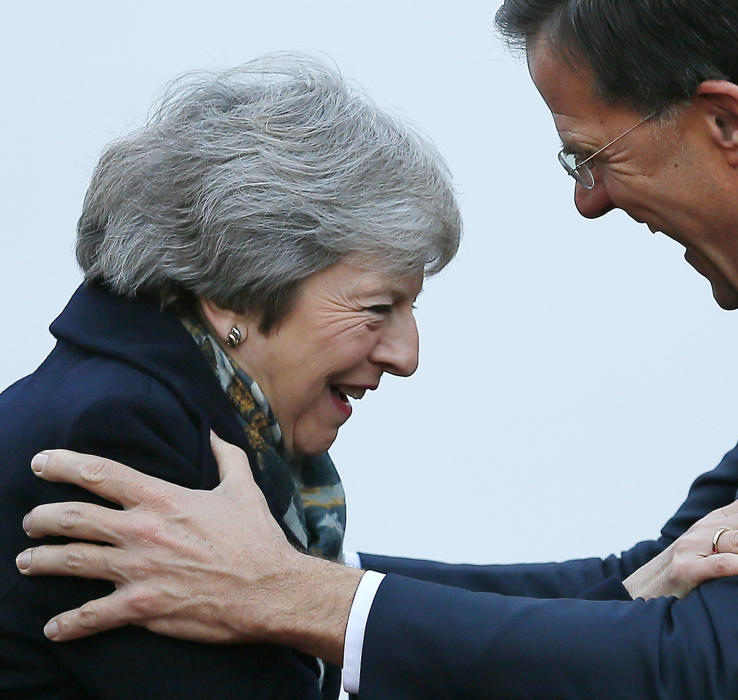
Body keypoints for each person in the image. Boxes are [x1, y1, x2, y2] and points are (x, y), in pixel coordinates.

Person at [15, 0, 738, 695]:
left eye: (588, 156)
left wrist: (298, 598)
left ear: (728, 123)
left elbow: (712, 660)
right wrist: (292, 587)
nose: (588, 201)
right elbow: (655, 576)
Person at [0, 53, 462, 698]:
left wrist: (621, 599)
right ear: (235, 291)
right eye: (378, 308)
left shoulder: (135, 397)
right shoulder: (118, 434)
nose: (405, 354)